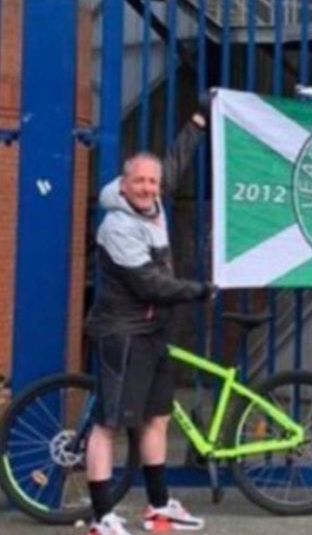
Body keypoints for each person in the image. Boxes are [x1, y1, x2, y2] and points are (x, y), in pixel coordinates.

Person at [83, 98, 215, 535]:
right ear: (123, 184)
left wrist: (198, 118)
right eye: (138, 181)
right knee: (109, 425)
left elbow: (174, 160)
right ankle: (102, 516)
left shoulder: (155, 200)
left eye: (152, 181)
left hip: (154, 332)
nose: (147, 187)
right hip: (123, 334)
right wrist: (200, 290)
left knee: (156, 418)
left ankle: (158, 507)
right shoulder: (117, 226)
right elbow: (150, 285)